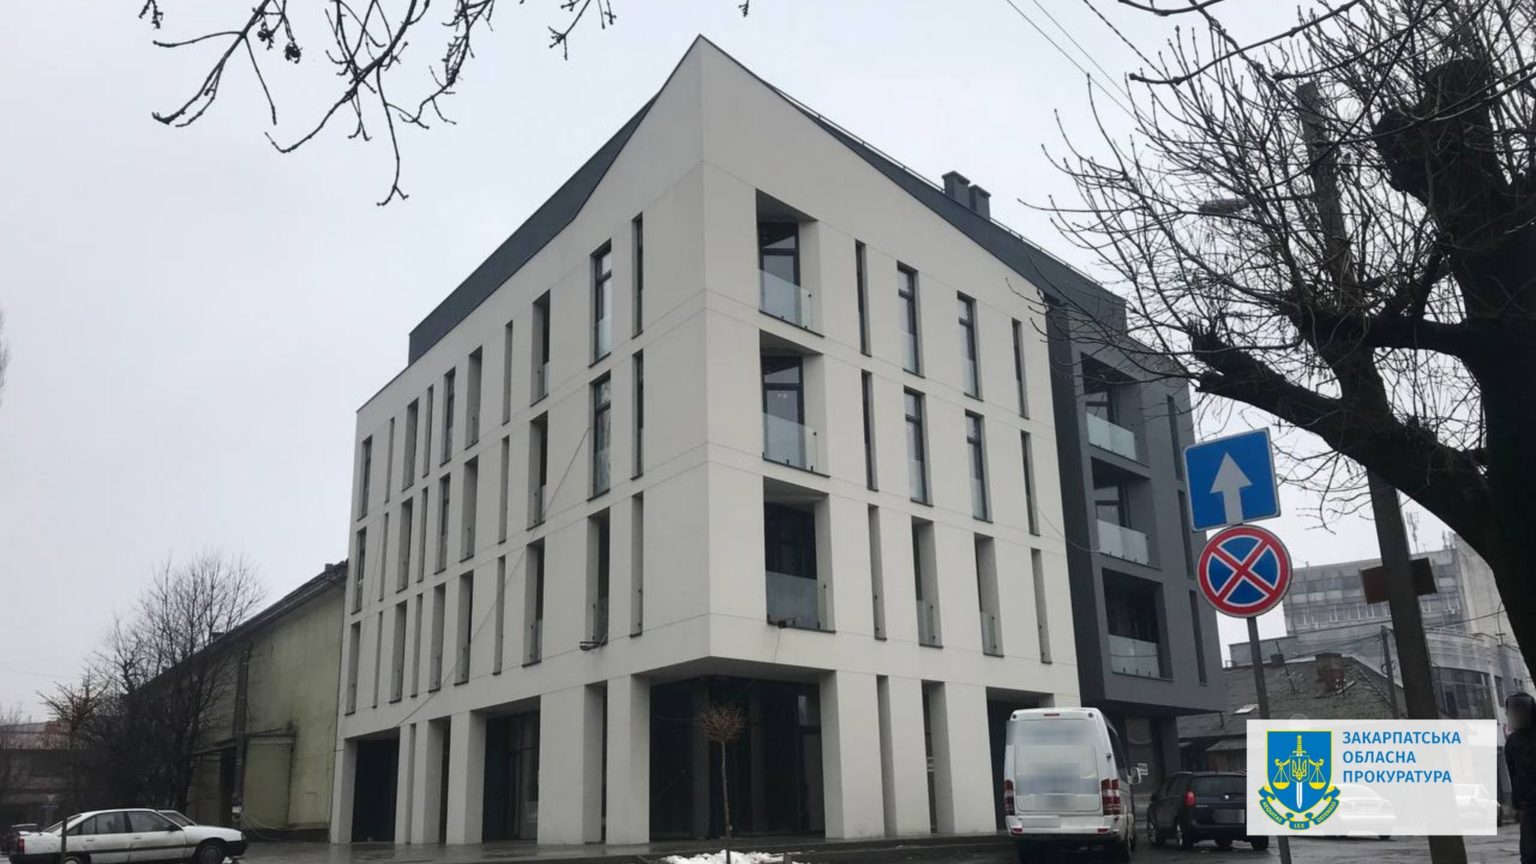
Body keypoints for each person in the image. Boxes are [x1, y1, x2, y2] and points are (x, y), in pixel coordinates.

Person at [1507, 692, 1536, 863]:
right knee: (1529, 854)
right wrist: (1517, 801)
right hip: (1528, 806)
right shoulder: (1512, 742)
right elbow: (1513, 773)